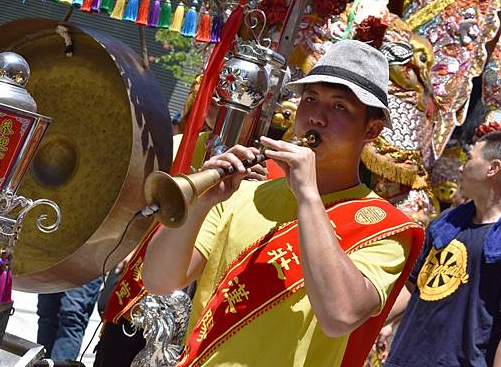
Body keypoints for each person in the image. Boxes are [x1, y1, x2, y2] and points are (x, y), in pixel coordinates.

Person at [141, 39, 424, 367]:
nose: (316, 117)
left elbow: (340, 315)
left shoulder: (385, 226)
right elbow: (159, 280)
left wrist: (308, 195)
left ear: (372, 130)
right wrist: (202, 204)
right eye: (310, 99)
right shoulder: (247, 193)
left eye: (338, 107)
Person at [384, 132, 501, 367]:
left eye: (469, 159)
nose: (460, 169)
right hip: (405, 358)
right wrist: (369, 323)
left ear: (493, 168)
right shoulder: (446, 223)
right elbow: (412, 287)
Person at [37, 276, 103, 361]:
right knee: (47, 314)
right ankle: (41, 363)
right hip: (52, 266)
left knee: (72, 318)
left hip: (86, 267)